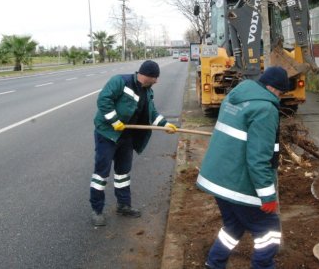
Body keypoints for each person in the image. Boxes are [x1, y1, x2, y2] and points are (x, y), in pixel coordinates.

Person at [196, 66, 290, 269]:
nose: (280, 99)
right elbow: (258, 159)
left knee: (233, 226)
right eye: (281, 93)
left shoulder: (234, 97)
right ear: (273, 89)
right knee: (268, 230)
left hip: (217, 177)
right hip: (235, 182)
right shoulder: (265, 109)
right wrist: (267, 196)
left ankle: (214, 263)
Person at [90, 60, 177, 226]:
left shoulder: (147, 91)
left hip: (126, 135)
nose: (157, 81)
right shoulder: (120, 81)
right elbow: (103, 100)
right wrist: (114, 121)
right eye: (155, 77)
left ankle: (123, 205)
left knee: (123, 172)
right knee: (101, 173)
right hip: (107, 134)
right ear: (147, 76)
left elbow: (151, 112)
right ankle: (97, 210)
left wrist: (165, 124)